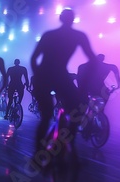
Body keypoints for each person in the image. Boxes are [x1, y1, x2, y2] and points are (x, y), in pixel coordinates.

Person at [30, 8, 96, 154]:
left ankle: (38, 152)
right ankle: (70, 142)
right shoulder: (79, 36)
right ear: (73, 19)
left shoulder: (49, 35)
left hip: (45, 75)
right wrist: (84, 83)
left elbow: (34, 58)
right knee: (77, 108)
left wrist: (38, 78)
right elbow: (93, 60)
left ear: (60, 18)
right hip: (61, 75)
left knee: (46, 116)